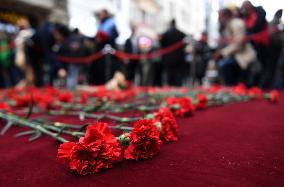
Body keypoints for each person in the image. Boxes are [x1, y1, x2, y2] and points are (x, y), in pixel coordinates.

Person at [214, 8, 256, 86]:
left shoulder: (237, 24)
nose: (219, 19)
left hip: (243, 57)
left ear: (226, 16)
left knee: (224, 65)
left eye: (220, 16)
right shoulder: (228, 26)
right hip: (235, 57)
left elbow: (238, 44)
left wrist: (222, 52)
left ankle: (231, 89)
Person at [241, 1, 269, 87]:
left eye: (246, 7)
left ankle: (264, 85)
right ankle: (256, 85)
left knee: (264, 65)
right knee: (256, 66)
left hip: (263, 44)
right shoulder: (246, 17)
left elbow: (257, 26)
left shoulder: (259, 12)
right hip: (254, 45)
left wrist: (250, 33)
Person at [89, 9, 120, 85]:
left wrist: (106, 37)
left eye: (102, 14)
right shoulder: (100, 23)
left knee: (107, 68)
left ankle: (106, 82)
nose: (100, 16)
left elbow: (115, 35)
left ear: (106, 14)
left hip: (108, 49)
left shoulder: (111, 23)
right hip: (100, 49)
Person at [160, 19, 186, 86]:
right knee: (178, 74)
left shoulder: (166, 33)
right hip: (178, 57)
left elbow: (162, 44)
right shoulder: (180, 33)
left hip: (168, 57)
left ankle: (170, 85)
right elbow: (184, 43)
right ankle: (178, 86)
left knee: (170, 74)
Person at [14, 18, 34, 88]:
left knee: (28, 73)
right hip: (23, 55)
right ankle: (26, 86)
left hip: (23, 55)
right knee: (28, 73)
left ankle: (26, 86)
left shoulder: (23, 34)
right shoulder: (24, 33)